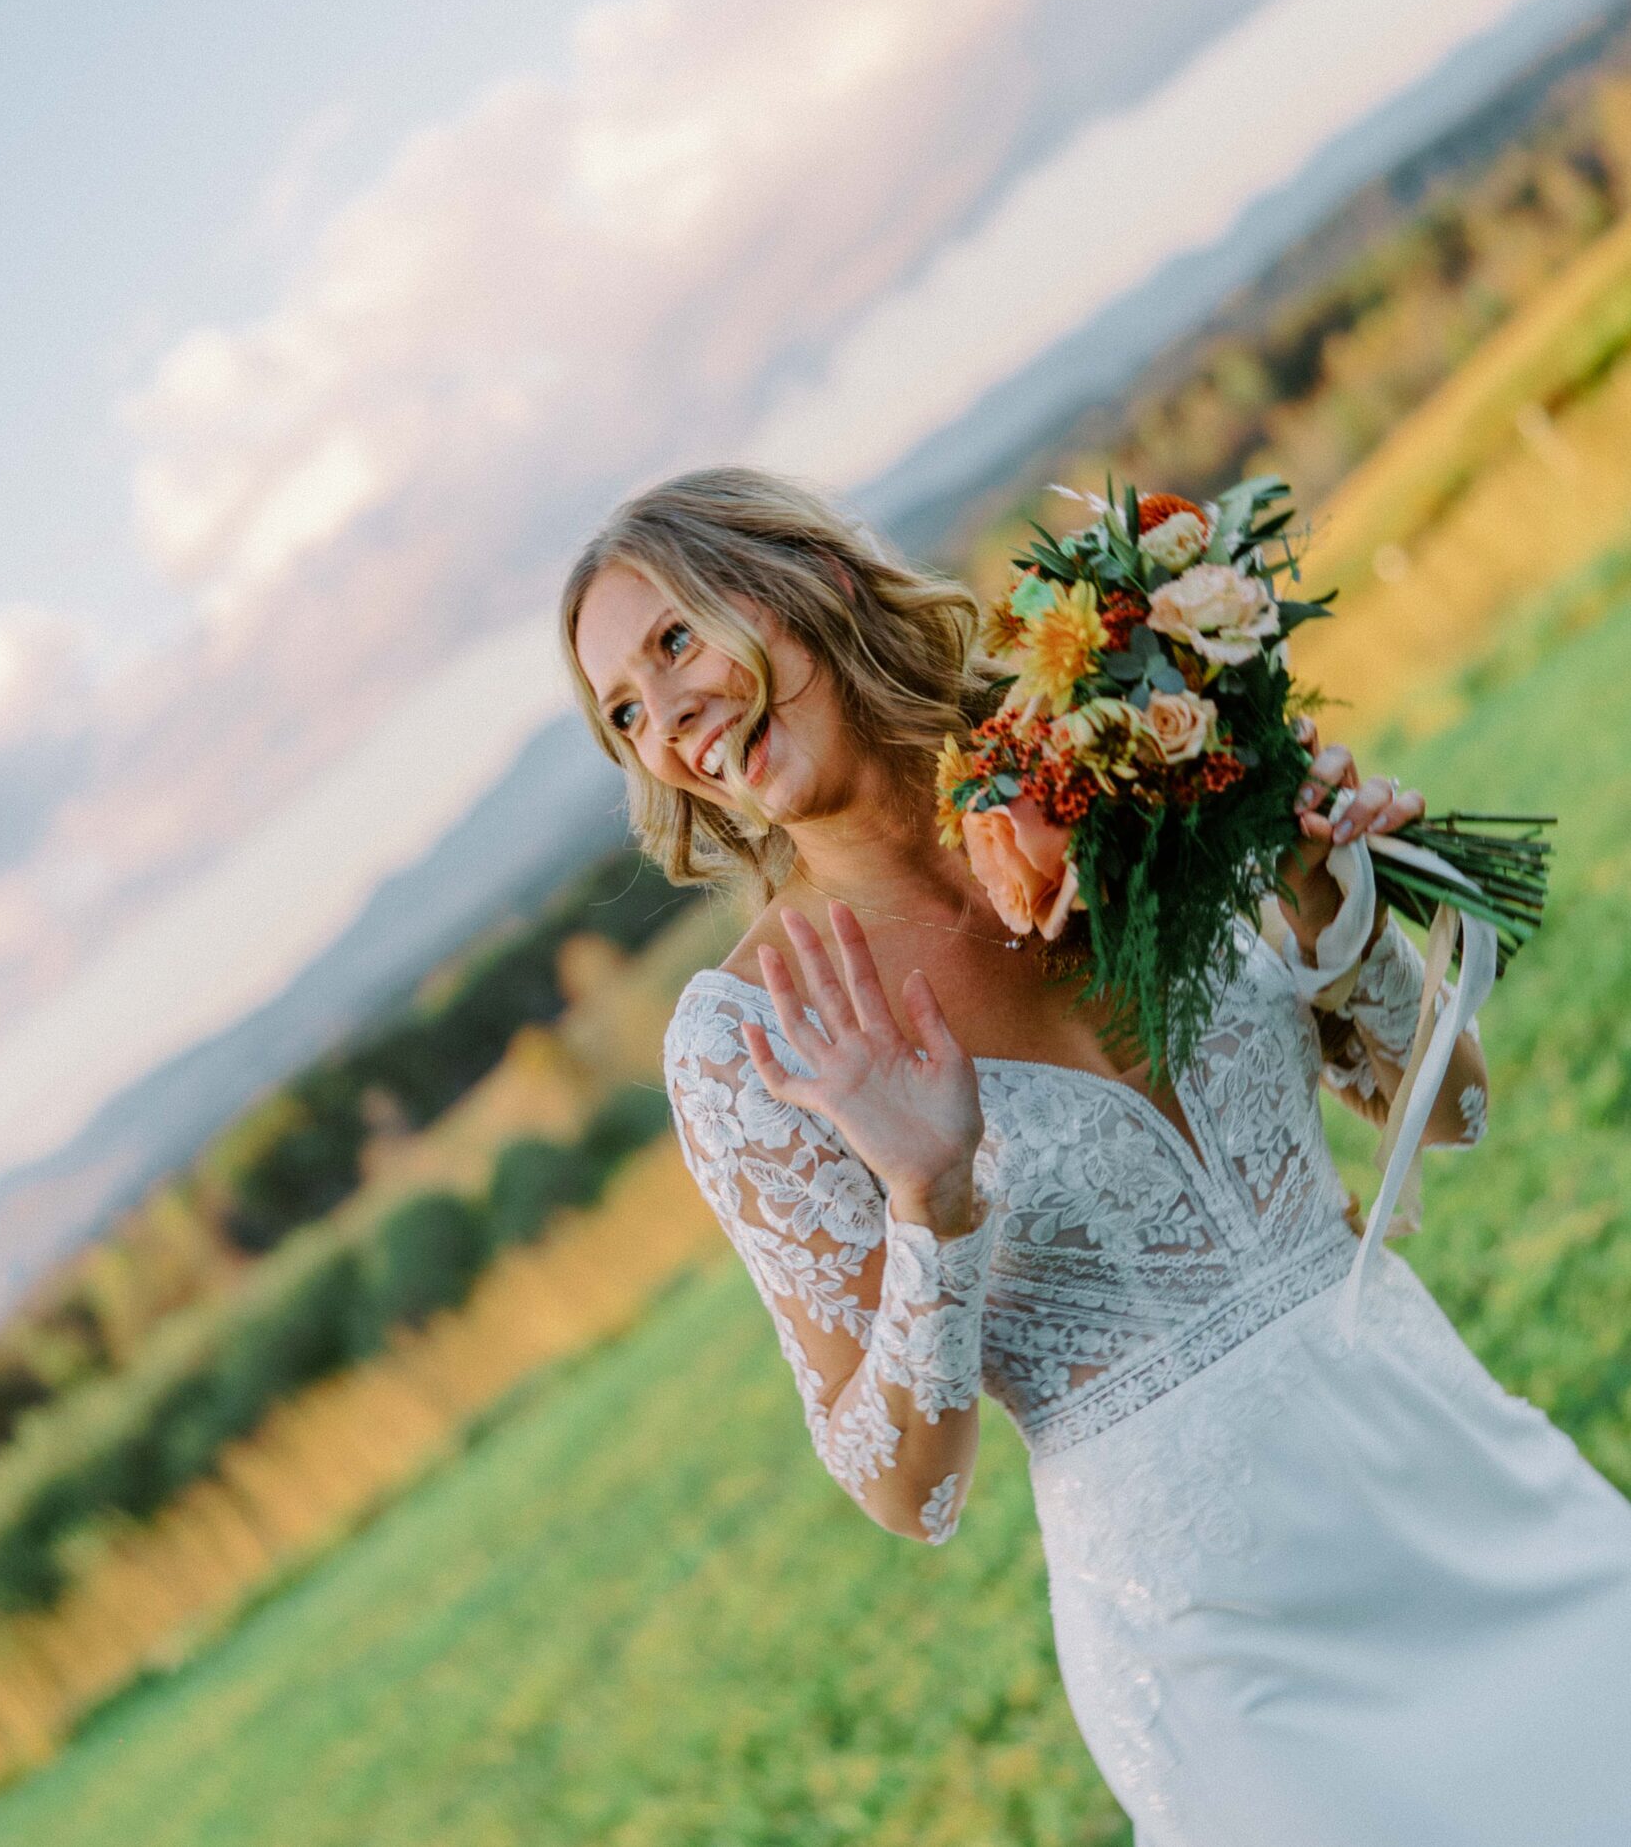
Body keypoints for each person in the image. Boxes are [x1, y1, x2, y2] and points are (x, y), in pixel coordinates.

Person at [561, 465, 1631, 1846]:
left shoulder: (1125, 765)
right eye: (626, 713)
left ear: (807, 582)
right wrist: (929, 1200)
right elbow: (908, 1484)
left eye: (673, 640)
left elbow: (1448, 1110)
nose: (671, 721)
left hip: (1458, 1478)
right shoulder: (749, 1043)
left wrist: (1326, 895)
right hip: (1224, 1651)